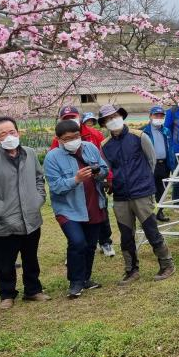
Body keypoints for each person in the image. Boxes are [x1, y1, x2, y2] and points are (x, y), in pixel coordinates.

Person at [99, 105, 176, 284]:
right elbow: (107, 169)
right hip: (120, 195)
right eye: (108, 119)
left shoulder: (139, 136)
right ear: (103, 123)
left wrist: (143, 180)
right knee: (126, 235)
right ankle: (131, 270)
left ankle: (167, 264)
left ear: (121, 116)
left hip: (142, 192)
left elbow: (151, 160)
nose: (112, 120)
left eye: (115, 116)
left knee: (151, 229)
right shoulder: (105, 145)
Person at [0, 117, 51, 310]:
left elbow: (39, 177)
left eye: (12, 132)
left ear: (18, 132)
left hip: (31, 217)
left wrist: (38, 199)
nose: (9, 136)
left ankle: (33, 290)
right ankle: (7, 294)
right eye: (3, 134)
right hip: (5, 222)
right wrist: (1, 210)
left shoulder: (30, 153)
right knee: (5, 262)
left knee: (31, 257)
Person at [45, 120, 109, 298]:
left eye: (76, 136)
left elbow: (105, 169)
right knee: (77, 242)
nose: (73, 140)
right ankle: (75, 282)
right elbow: (55, 186)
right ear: (59, 139)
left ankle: (85, 278)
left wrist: (99, 172)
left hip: (93, 203)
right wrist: (76, 179)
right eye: (67, 139)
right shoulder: (52, 157)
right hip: (68, 208)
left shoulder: (90, 148)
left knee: (90, 244)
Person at [49, 106, 115, 257]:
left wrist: (105, 176)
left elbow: (103, 161)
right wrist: (76, 179)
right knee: (77, 239)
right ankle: (76, 251)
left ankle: (105, 242)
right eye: (66, 119)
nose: (70, 120)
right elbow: (55, 177)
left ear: (79, 117)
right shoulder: (55, 150)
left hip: (94, 192)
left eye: (73, 117)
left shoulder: (93, 136)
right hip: (72, 200)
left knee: (101, 217)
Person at [142, 106, 176, 222]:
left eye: (161, 116)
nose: (159, 118)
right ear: (150, 116)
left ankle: (160, 212)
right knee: (149, 190)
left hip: (164, 165)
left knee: (162, 190)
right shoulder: (144, 131)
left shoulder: (166, 131)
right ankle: (148, 215)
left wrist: (172, 165)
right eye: (156, 115)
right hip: (150, 165)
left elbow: (171, 149)